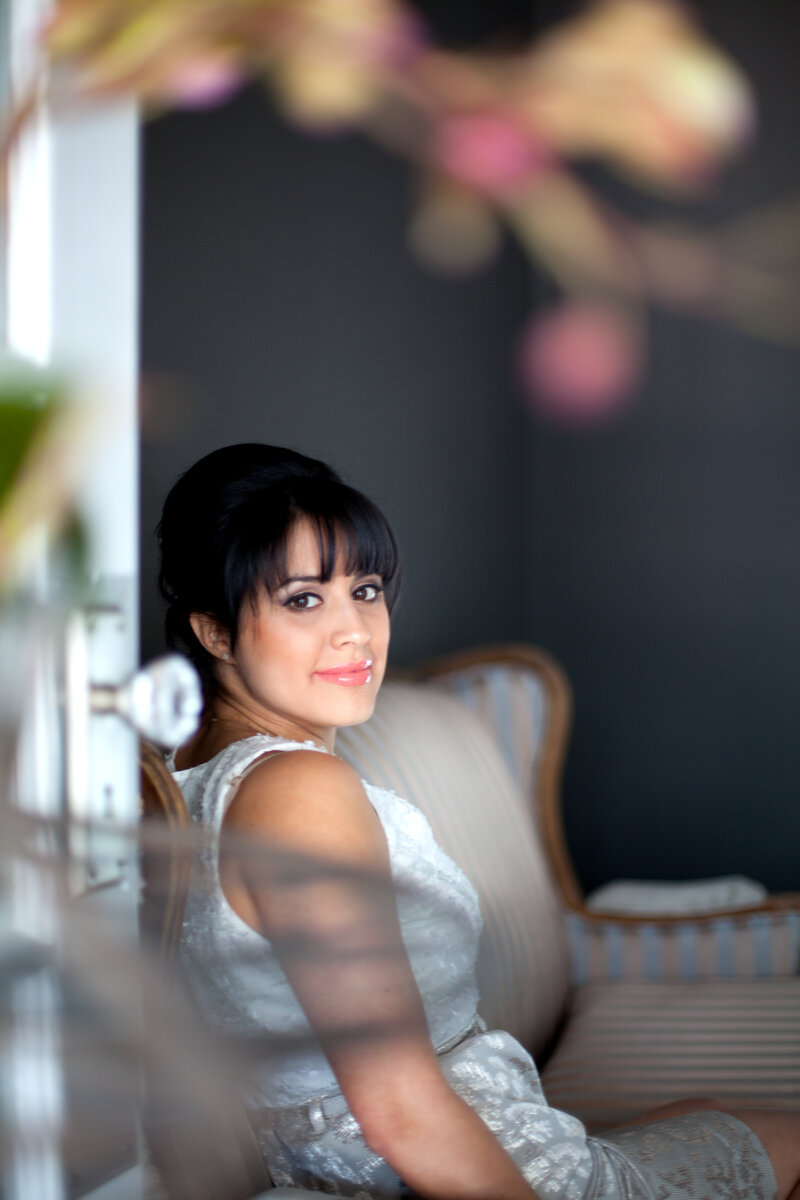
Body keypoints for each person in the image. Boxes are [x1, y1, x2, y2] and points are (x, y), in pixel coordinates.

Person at [158, 442, 800, 1200]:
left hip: (446, 1134)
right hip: (452, 1163)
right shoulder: (299, 792)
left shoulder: (190, 769)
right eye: (303, 599)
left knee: (712, 1112)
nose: (355, 632)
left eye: (364, 589)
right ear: (216, 631)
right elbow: (400, 1112)